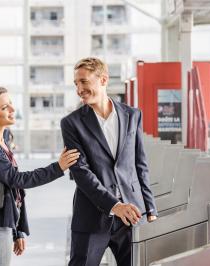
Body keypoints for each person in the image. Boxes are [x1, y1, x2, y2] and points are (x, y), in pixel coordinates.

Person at [0, 82, 80, 266]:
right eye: (5, 107)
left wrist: (17, 230)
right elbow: (16, 180)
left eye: (11, 103)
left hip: (2, 225)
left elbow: (12, 193)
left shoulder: (3, 139)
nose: (13, 109)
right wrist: (58, 167)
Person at [60, 57, 158, 266]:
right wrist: (115, 205)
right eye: (76, 83)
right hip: (91, 216)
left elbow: (140, 164)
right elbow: (81, 173)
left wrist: (150, 208)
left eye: (84, 82)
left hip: (132, 214)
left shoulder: (132, 115)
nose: (79, 89)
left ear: (103, 80)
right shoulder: (71, 123)